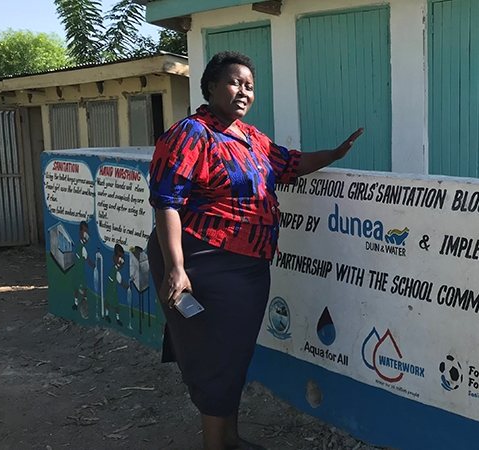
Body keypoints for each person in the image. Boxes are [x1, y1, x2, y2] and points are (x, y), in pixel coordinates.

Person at [147, 51, 362, 450]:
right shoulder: (192, 133)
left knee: (234, 355)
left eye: (249, 86)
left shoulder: (251, 138)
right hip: (201, 259)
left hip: (247, 267)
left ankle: (229, 437)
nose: (243, 91)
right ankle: (217, 445)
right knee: (214, 356)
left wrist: (333, 155)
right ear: (210, 86)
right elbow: (166, 200)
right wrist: (176, 267)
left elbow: (290, 164)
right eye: (234, 82)